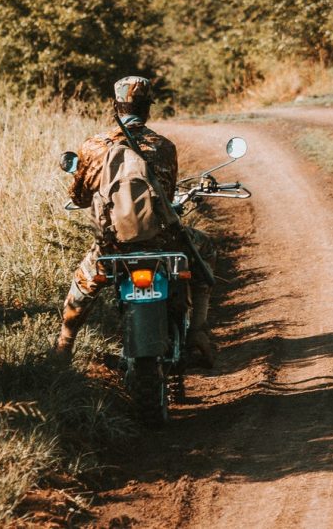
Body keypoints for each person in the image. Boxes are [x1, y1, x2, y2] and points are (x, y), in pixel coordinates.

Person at [54, 76, 217, 366]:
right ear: (147, 109)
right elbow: (165, 196)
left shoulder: (94, 147)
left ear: (115, 107)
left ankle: (64, 346)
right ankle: (198, 330)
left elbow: (79, 197)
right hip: (163, 241)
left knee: (83, 284)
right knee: (206, 249)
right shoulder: (164, 146)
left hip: (114, 244)